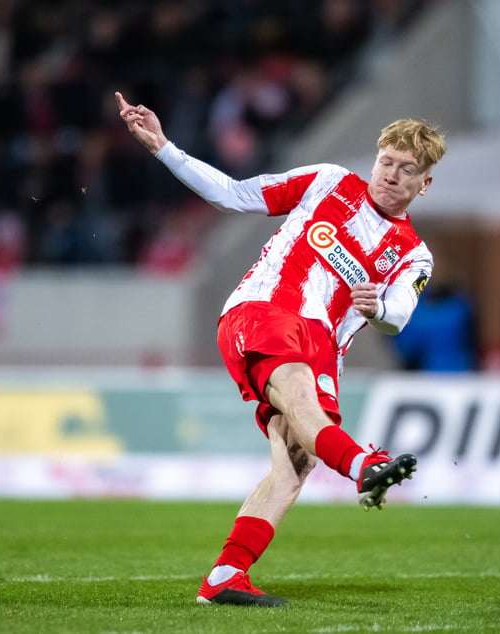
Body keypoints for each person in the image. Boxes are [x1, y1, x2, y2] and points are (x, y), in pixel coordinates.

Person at [115, 91, 446, 607]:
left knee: (294, 462)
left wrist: (377, 308)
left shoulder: (413, 254)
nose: (391, 175)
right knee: (299, 402)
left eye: (408, 170)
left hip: (322, 345)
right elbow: (233, 193)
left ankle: (226, 577)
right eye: (386, 162)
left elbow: (400, 314)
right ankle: (364, 467)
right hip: (268, 307)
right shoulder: (330, 182)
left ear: (425, 184)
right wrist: (164, 148)